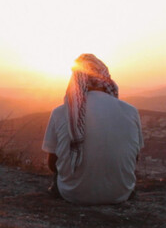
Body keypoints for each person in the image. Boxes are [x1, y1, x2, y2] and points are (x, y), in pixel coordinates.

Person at [42, 53, 143, 204]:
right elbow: (135, 158)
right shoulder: (130, 111)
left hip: (72, 194)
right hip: (121, 194)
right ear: (106, 78)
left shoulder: (61, 112)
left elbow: (52, 164)